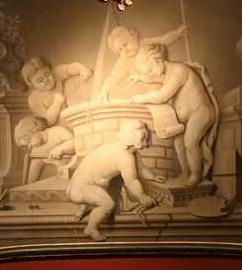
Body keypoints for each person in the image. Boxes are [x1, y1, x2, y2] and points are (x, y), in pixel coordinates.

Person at [129, 43, 217, 186]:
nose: (150, 74)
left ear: (159, 59)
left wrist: (144, 98)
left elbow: (163, 94)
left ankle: (196, 174)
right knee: (179, 142)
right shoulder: (168, 73)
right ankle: (186, 172)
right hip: (190, 116)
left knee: (190, 142)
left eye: (150, 70)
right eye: (147, 72)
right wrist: (139, 77)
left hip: (200, 112)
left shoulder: (179, 70)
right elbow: (155, 79)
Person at [67, 119, 155, 242]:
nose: (145, 144)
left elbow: (141, 169)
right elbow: (131, 181)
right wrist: (142, 196)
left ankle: (82, 209)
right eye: (144, 140)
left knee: (96, 188)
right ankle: (91, 227)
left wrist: (154, 176)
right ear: (138, 141)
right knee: (108, 204)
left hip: (75, 187)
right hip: (81, 190)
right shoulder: (126, 157)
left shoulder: (112, 146)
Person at [94, 24, 187, 104]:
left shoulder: (147, 45)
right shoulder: (124, 61)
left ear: (133, 37)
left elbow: (164, 40)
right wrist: (104, 91)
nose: (124, 50)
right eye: (120, 49)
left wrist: (178, 33)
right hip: (155, 94)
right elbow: (114, 77)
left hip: (172, 83)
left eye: (125, 44)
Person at [20, 56, 92, 126]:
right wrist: (57, 103)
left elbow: (68, 68)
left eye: (47, 74)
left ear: (50, 70)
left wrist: (82, 69)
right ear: (33, 85)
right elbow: (48, 121)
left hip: (72, 119)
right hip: (58, 128)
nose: (46, 79)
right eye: (40, 80)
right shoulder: (34, 100)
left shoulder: (56, 74)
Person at [13, 115, 75, 184]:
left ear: (36, 130)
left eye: (29, 141)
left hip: (76, 169)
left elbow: (75, 142)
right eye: (27, 145)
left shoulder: (58, 131)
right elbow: (34, 170)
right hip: (62, 176)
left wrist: (61, 149)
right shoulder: (36, 151)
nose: (29, 147)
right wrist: (28, 186)